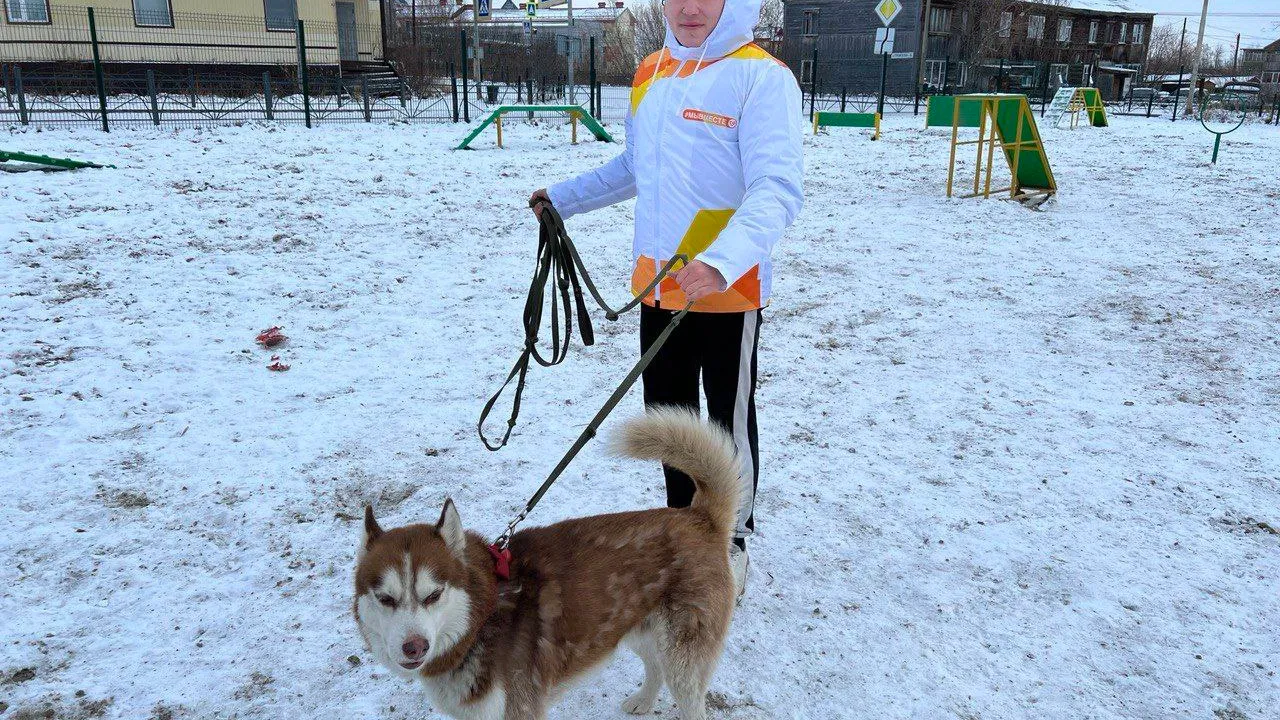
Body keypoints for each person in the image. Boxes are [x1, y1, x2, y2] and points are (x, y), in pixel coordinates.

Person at [529, 0, 803, 595]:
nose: (690, 8)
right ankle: (687, 532)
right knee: (671, 423)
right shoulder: (650, 71)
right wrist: (563, 198)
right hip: (659, 293)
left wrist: (722, 263)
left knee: (726, 422)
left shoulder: (763, 78)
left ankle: (731, 540)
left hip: (727, 293)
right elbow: (634, 166)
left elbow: (776, 189)